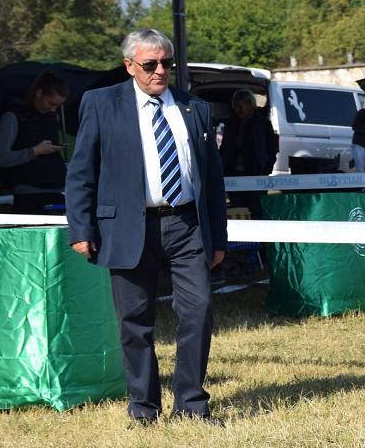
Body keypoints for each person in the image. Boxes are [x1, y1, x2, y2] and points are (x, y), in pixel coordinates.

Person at [66, 29, 228, 426]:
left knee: (199, 310)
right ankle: (144, 408)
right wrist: (81, 228)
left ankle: (190, 403)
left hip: (187, 225)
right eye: (150, 64)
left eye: (166, 64)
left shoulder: (195, 108)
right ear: (129, 66)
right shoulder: (101, 104)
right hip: (127, 228)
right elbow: (81, 171)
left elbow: (212, 179)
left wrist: (219, 238)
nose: (160, 71)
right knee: (135, 322)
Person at [0, 70, 69, 214]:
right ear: (39, 93)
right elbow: (0, 158)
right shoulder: (12, 117)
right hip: (28, 195)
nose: (53, 109)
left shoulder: (53, 118)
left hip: (57, 190)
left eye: (57, 106)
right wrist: (34, 151)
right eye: (51, 103)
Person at [220, 89, 277, 219]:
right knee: (237, 208)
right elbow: (224, 148)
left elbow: (272, 150)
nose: (237, 110)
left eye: (240, 106)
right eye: (235, 106)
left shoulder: (263, 124)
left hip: (256, 173)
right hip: (234, 173)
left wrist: (265, 169)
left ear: (250, 104)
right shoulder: (231, 124)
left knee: (256, 209)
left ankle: (260, 239)